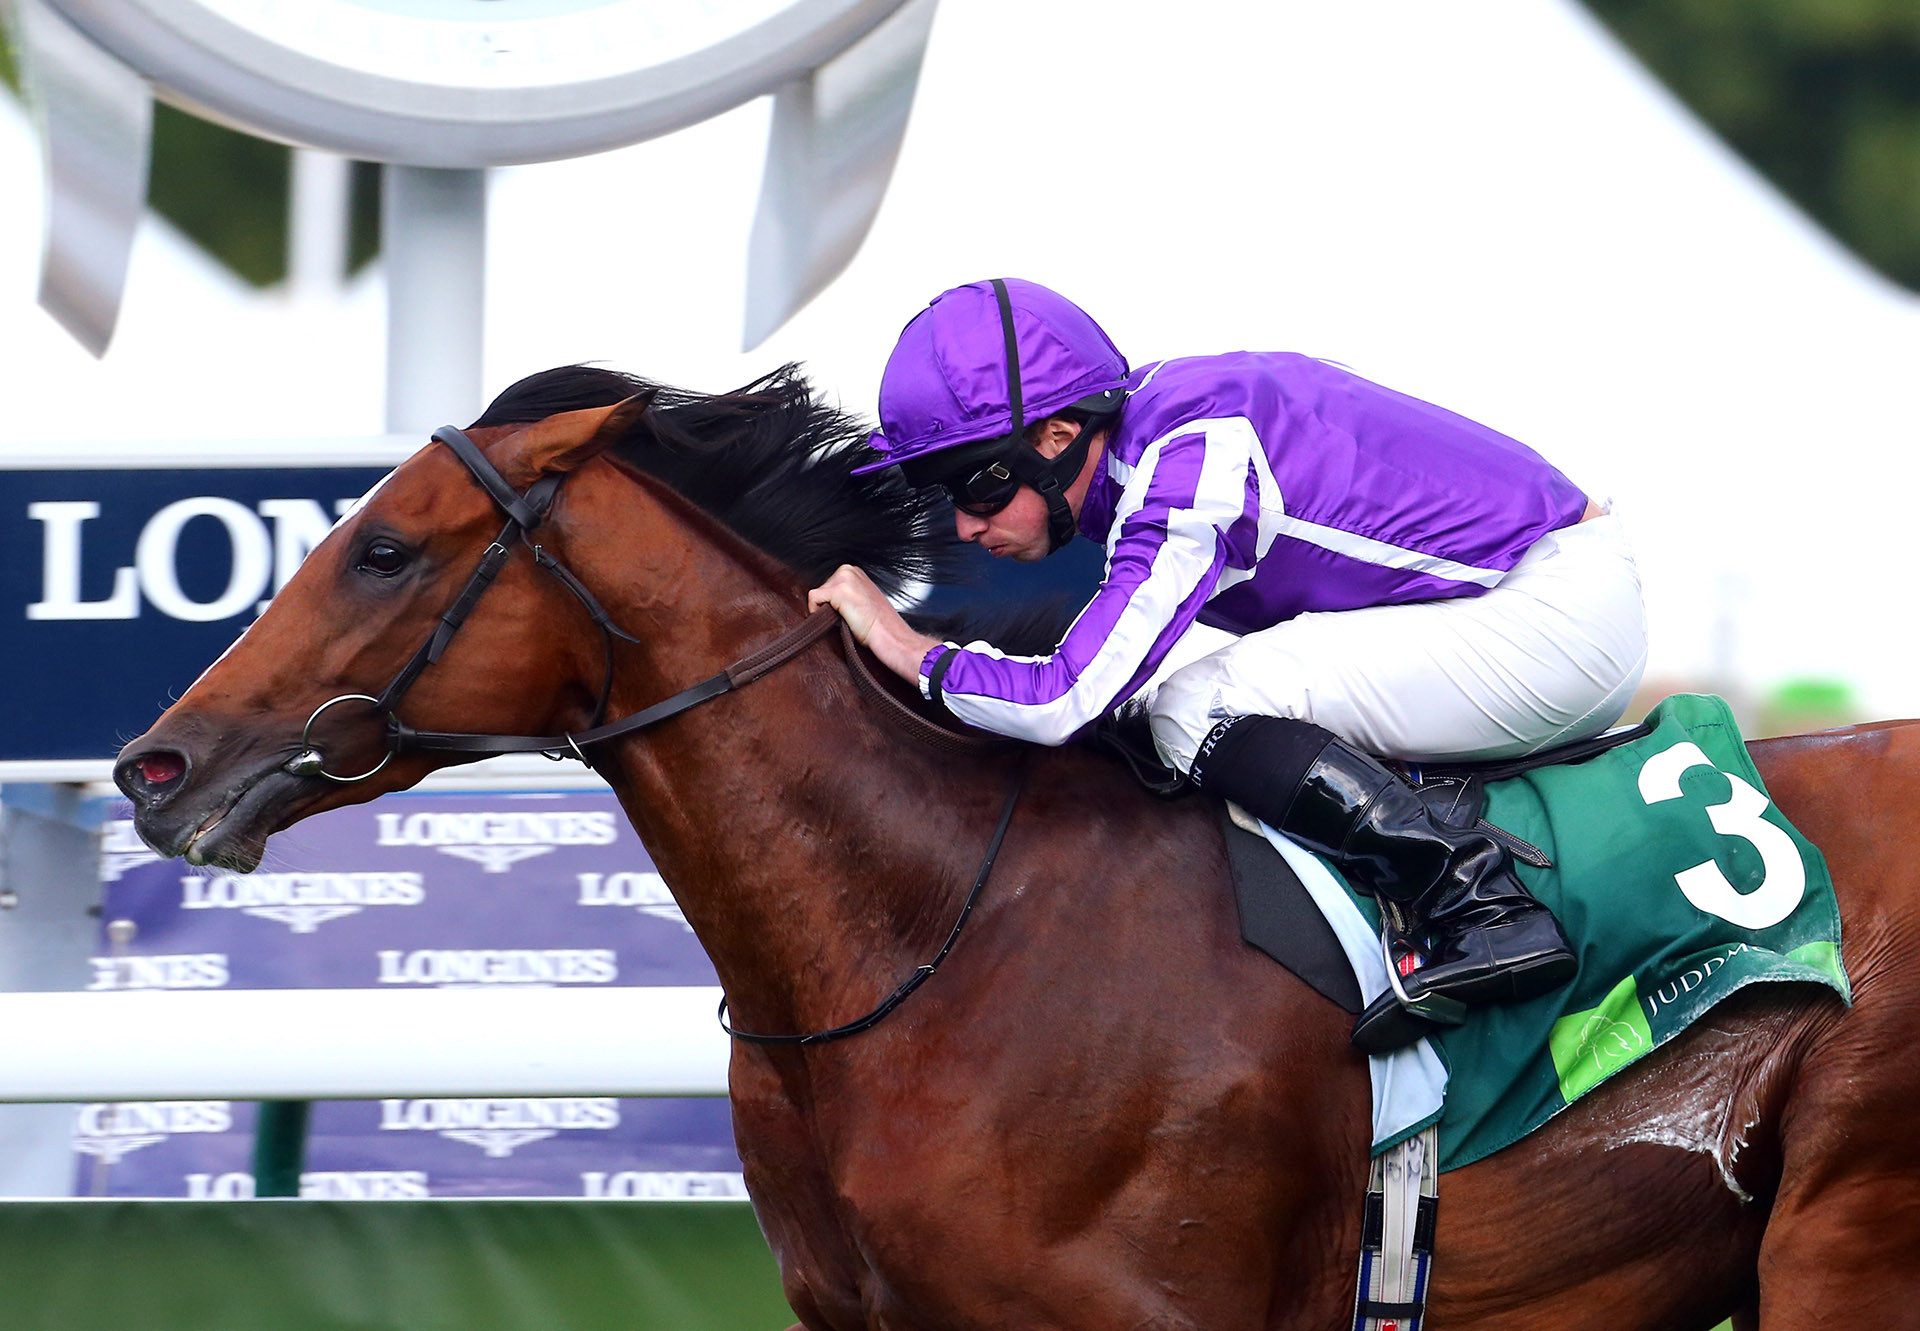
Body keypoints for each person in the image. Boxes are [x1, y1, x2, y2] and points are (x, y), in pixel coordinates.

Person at [810, 278, 1647, 1050]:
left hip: (1556, 616)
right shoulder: (1158, 429)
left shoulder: (1187, 463)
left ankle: (1477, 902)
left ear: (1060, 435)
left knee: (1192, 706)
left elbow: (1063, 697)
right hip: (1530, 594)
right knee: (1174, 709)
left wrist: (907, 647)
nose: (963, 524)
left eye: (978, 485)